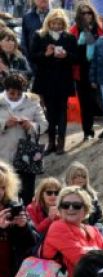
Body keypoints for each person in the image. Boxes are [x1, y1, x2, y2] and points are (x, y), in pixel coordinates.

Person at [41, 187, 103, 277]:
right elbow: (82, 261)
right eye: (65, 205)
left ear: (86, 209)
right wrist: (99, 252)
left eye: (76, 206)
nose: (70, 208)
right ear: (60, 209)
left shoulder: (92, 230)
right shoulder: (58, 227)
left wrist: (93, 252)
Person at [29, 9, 75, 155]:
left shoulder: (69, 37)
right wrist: (46, 54)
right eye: (53, 23)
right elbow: (33, 56)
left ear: (64, 24)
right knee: (50, 111)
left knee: (62, 110)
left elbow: (77, 57)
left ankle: (61, 142)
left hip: (63, 79)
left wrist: (66, 55)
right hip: (46, 80)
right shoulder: (39, 36)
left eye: (59, 23)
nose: (56, 26)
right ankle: (51, 142)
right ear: (48, 23)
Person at [0, 73, 46, 203]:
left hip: (26, 157)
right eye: (12, 94)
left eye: (18, 94)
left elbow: (44, 125)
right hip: (2, 158)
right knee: (5, 196)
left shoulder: (32, 102)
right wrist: (4, 124)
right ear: (6, 90)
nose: (15, 97)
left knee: (26, 195)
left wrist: (31, 125)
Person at [68, 1, 102, 142]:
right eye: (83, 13)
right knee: (85, 103)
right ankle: (88, 132)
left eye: (89, 12)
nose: (87, 15)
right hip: (81, 71)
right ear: (79, 15)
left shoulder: (99, 28)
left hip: (100, 70)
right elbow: (71, 51)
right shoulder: (74, 30)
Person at [63, 162, 103, 227]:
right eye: (77, 176)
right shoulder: (63, 197)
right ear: (70, 178)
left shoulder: (91, 195)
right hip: (72, 231)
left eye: (84, 176)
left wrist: (97, 227)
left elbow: (99, 216)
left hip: (93, 231)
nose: (81, 179)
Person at [20, 0, 50, 68]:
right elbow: (24, 40)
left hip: (52, 63)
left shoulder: (56, 15)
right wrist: (28, 59)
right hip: (34, 63)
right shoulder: (27, 16)